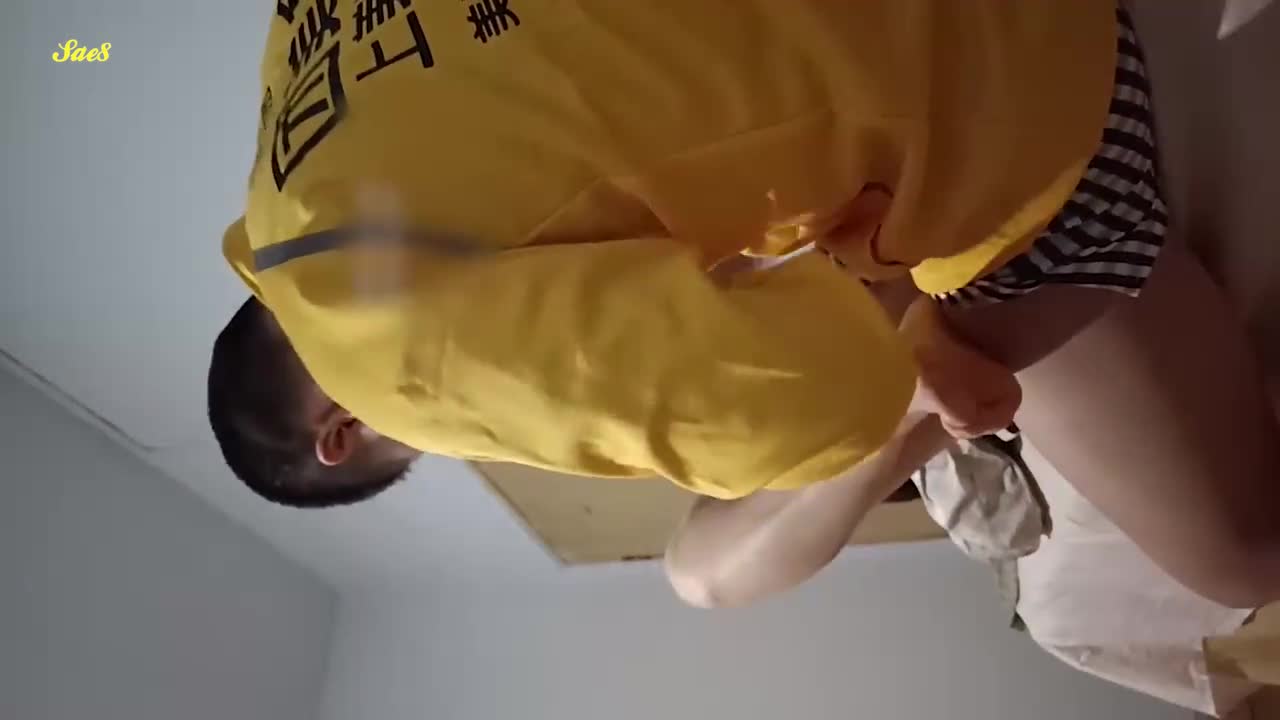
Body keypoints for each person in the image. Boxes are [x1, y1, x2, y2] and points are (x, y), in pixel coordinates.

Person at [210, 2, 1280, 606]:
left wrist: (888, 351)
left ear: (342, 433)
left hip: (1015, 81)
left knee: (1240, 562)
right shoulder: (292, 90)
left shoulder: (385, 351)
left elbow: (828, 391)